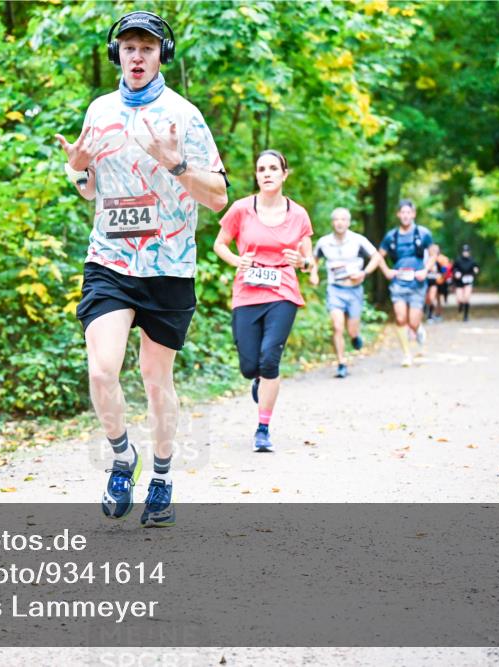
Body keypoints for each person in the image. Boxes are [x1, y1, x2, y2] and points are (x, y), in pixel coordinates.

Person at [55, 11, 227, 527]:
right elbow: (90, 191)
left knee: (156, 380)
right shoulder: (100, 111)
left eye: (146, 48)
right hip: (109, 259)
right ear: (117, 55)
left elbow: (218, 198)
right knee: (102, 370)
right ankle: (122, 456)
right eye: (128, 47)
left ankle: (163, 477)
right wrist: (80, 170)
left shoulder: (183, 116)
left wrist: (175, 164)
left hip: (169, 266)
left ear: (161, 56)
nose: (136, 56)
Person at [213, 150, 313, 452]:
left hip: (282, 290)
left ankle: (263, 428)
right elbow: (220, 245)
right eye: (261, 169)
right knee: (249, 366)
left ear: (285, 173)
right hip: (247, 291)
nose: (267, 173)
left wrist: (303, 262)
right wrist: (236, 261)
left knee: (270, 358)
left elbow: (309, 260)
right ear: (256, 175)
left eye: (273, 168)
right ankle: (258, 379)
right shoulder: (241, 209)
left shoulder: (298, 214)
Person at [310, 207, 379, 378]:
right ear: (332, 222)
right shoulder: (324, 242)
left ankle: (355, 337)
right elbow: (314, 260)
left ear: (348, 222)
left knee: (351, 330)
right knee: (337, 327)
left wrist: (364, 273)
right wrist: (314, 273)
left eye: (343, 219)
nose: (340, 223)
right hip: (335, 289)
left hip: (354, 290)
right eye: (336, 219)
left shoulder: (358, 240)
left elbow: (376, 257)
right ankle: (341, 363)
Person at [367, 199, 436, 367]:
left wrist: (425, 270)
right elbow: (378, 255)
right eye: (402, 212)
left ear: (413, 214)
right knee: (400, 318)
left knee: (413, 321)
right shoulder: (391, 236)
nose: (405, 216)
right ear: (398, 215)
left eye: (408, 212)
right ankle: (406, 354)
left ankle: (418, 330)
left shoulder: (423, 233)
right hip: (398, 283)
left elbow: (434, 254)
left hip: (417, 284)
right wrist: (386, 271)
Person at [452, 244, 480, 321]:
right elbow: (453, 269)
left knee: (467, 298)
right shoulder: (458, 260)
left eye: (467, 251)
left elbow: (476, 267)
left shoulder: (472, 260)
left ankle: (466, 316)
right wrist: (456, 273)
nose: (465, 253)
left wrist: (476, 270)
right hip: (459, 282)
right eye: (464, 251)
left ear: (469, 252)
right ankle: (460, 305)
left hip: (468, 280)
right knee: (460, 298)